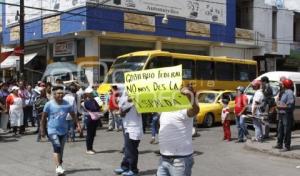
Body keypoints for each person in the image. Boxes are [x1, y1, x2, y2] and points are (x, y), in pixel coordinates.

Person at [156, 86, 199, 176]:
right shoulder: (166, 107)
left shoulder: (185, 109)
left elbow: (195, 110)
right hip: (163, 158)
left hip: (180, 160)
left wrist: (190, 96)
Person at [40, 86, 82, 175]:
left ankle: (59, 166)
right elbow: (43, 118)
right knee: (57, 147)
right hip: (52, 130)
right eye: (58, 93)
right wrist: (42, 130)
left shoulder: (67, 104)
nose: (61, 94)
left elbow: (73, 115)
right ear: (54, 95)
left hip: (64, 130)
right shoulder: (49, 104)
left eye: (62, 93)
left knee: (61, 150)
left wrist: (78, 125)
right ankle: (58, 166)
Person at [114, 91, 143, 176]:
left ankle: (133, 170)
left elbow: (124, 109)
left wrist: (122, 107)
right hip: (127, 126)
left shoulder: (138, 97)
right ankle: (125, 167)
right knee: (127, 149)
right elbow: (122, 111)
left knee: (132, 150)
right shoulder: (126, 95)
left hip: (134, 128)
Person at [273, 79, 295, 152]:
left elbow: (290, 105)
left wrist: (280, 106)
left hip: (287, 114)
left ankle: (287, 146)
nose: (281, 84)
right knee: (280, 130)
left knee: (286, 131)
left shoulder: (290, 93)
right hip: (281, 114)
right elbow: (282, 103)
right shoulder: (284, 92)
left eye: (282, 83)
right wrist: (278, 105)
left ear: (285, 85)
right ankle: (279, 144)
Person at [82, 87, 102, 154]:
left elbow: (100, 106)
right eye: (91, 93)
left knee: (93, 134)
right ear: (87, 94)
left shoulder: (94, 100)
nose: (92, 94)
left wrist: (98, 102)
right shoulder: (86, 102)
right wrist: (97, 105)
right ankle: (88, 149)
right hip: (89, 119)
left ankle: (91, 148)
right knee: (89, 134)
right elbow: (93, 108)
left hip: (95, 118)